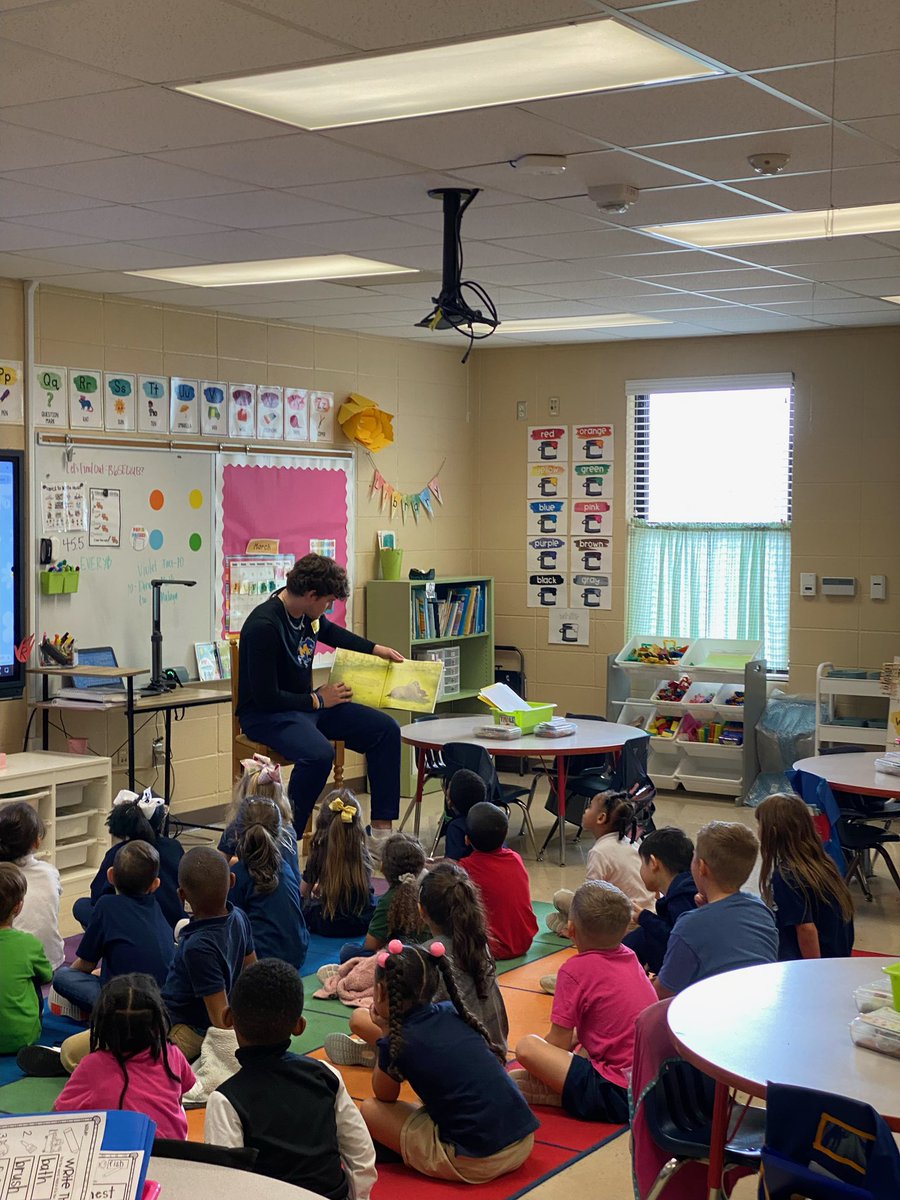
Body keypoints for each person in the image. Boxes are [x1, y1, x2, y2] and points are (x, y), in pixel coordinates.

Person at [236, 553, 404, 854]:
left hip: (306, 706)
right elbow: (265, 697)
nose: (328, 608)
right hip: (267, 714)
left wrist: (375, 649)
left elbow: (329, 632)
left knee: (386, 730)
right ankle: (288, 839)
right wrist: (317, 699)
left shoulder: (307, 615)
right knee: (318, 754)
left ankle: (380, 835)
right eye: (327, 602)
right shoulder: (264, 625)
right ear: (311, 595)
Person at [358, 941, 538, 1184]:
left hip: (478, 1160)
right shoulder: (450, 1010)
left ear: (380, 991)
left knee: (370, 1109)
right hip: (523, 1140)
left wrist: (384, 1034)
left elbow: (384, 1096)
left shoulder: (399, 1041)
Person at [205, 959, 376, 1200]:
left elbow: (227, 1184)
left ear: (227, 1018)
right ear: (300, 1026)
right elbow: (361, 1155)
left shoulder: (225, 1099)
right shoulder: (326, 1075)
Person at [331, 861, 509, 1063]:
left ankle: (386, 1054)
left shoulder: (422, 957)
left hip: (448, 1057)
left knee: (360, 1019)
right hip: (496, 1051)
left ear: (421, 910)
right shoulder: (479, 943)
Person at [512, 880, 657, 1119]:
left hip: (616, 1093)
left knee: (527, 1047)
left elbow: (557, 1044)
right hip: (649, 1084)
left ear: (570, 930)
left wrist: (543, 1063)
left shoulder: (574, 970)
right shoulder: (630, 955)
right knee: (583, 1033)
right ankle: (563, 1086)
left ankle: (561, 1091)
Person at [53, 974, 195, 1139]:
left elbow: (55, 1117)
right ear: (158, 1024)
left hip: (119, 1159)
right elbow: (179, 1096)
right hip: (174, 1155)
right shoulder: (172, 1054)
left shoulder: (92, 1065)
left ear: (103, 1026)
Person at [655, 821, 778, 998]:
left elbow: (663, 992)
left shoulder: (688, 927)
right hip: (762, 1004)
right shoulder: (761, 910)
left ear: (702, 868)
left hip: (717, 1016)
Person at [51, 841, 175, 1016]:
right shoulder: (155, 907)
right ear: (155, 884)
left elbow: (85, 965)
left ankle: (100, 1012)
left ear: (111, 875)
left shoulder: (106, 905)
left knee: (63, 976)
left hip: (125, 1004)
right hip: (160, 1001)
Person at [159, 847, 257, 1061]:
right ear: (232, 880)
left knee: (126, 1058)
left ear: (181, 895)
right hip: (200, 1019)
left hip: (187, 1028)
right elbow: (255, 974)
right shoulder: (239, 916)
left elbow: (220, 1020)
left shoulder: (199, 946)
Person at [756, 793, 854, 960]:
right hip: (837, 957)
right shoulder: (822, 863)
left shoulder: (787, 876)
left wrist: (812, 970)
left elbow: (806, 929)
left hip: (813, 963)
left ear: (772, 832)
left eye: (759, 825)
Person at [546, 790, 655, 937]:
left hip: (622, 924)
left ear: (601, 818)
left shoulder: (599, 851)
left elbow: (589, 899)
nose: (585, 810)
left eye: (590, 807)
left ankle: (576, 930)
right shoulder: (632, 844)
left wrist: (575, 926)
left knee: (559, 899)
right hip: (648, 917)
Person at [77, 791, 185, 931]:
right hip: (172, 924)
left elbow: (96, 894)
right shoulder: (174, 847)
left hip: (130, 924)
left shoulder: (118, 853)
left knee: (80, 906)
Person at [229, 795, 309, 970]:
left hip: (261, 963)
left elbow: (231, 927)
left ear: (236, 833)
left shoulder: (236, 876)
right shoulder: (285, 868)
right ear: (279, 834)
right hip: (297, 955)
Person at [460, 803, 537, 960]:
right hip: (524, 942)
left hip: (488, 949)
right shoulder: (515, 858)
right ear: (506, 833)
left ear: (467, 839)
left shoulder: (465, 868)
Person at [337, 832, 428, 965]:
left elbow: (371, 945)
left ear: (383, 867)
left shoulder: (390, 899)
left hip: (405, 958)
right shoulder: (427, 888)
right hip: (430, 951)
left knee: (347, 951)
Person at [622, 826, 697, 974]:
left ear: (654, 863)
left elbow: (677, 936)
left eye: (642, 864)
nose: (641, 869)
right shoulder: (686, 886)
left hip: (686, 966)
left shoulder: (683, 894)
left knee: (632, 943)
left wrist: (645, 917)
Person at [302, 791, 376, 938]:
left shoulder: (318, 851)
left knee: (302, 906)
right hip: (364, 922)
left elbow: (303, 892)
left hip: (328, 924)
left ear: (322, 822)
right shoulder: (362, 852)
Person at [0, 801, 64, 968]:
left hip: (14, 963)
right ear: (37, 842)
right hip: (52, 961)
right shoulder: (49, 872)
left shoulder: (4, 877)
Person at [0, 863, 53, 1056]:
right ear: (18, 906)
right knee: (33, 977)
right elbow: (47, 976)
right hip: (22, 1038)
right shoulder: (28, 944)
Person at [218, 756, 298, 877]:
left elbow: (216, 866)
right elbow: (295, 877)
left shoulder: (234, 830)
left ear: (243, 794)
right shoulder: (288, 832)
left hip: (248, 889)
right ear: (280, 796)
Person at [441, 769, 487, 861]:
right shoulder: (487, 820)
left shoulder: (456, 827)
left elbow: (452, 866)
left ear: (450, 801)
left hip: (470, 873)